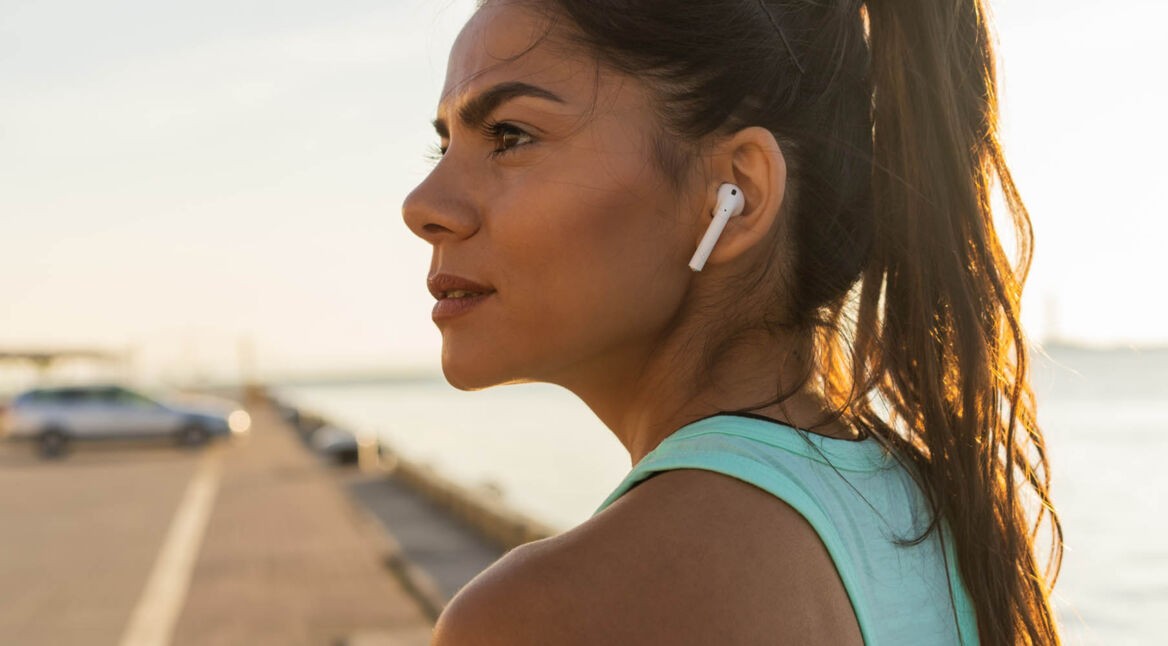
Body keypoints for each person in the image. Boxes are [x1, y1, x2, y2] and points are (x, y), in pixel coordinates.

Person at [402, 0, 1063, 643]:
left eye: (511, 137)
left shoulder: (543, 617)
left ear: (735, 195)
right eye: (445, 147)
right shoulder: (937, 520)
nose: (422, 205)